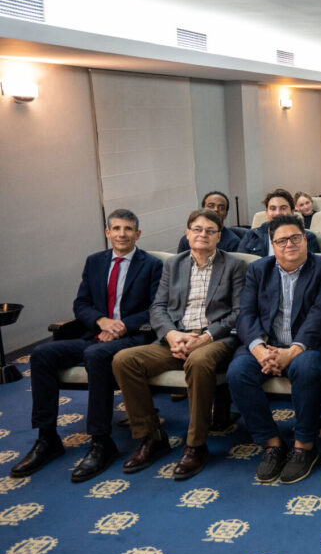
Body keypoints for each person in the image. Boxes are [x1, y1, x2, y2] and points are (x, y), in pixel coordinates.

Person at [11, 209, 163, 482]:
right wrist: (102, 321)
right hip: (95, 334)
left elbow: (156, 309)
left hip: (131, 337)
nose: (122, 234)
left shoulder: (152, 265)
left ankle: (101, 441)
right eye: (116, 228)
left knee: (96, 355)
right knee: (42, 354)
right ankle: (47, 437)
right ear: (107, 233)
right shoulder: (94, 262)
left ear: (138, 234)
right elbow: (81, 304)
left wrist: (121, 326)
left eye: (128, 229)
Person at [112, 209, 246, 479]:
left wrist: (205, 337)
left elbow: (238, 312)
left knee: (198, 361)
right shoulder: (174, 264)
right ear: (187, 234)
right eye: (197, 229)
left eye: (210, 231)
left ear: (219, 236)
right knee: (124, 360)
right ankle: (152, 436)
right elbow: (158, 307)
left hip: (214, 339)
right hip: (176, 337)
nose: (203, 235)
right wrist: (172, 335)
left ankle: (195, 445)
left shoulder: (235, 265)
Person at [228, 215, 321, 484]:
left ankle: (305, 445)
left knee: (306, 368)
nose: (289, 244)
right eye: (282, 240)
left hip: (310, 345)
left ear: (305, 240)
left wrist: (292, 351)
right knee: (238, 371)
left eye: (295, 238)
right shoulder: (258, 270)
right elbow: (246, 315)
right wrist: (259, 351)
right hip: (267, 344)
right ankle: (272, 443)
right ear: (273, 244)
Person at [236, 189, 319, 257]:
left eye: (283, 208)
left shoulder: (307, 237)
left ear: (292, 211)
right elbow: (242, 265)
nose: (277, 213)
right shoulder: (251, 236)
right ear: (267, 212)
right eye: (273, 208)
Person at [176, 191, 241, 253]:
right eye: (211, 206)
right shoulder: (186, 240)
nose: (216, 209)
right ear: (202, 209)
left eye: (221, 208)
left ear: (226, 214)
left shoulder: (233, 242)